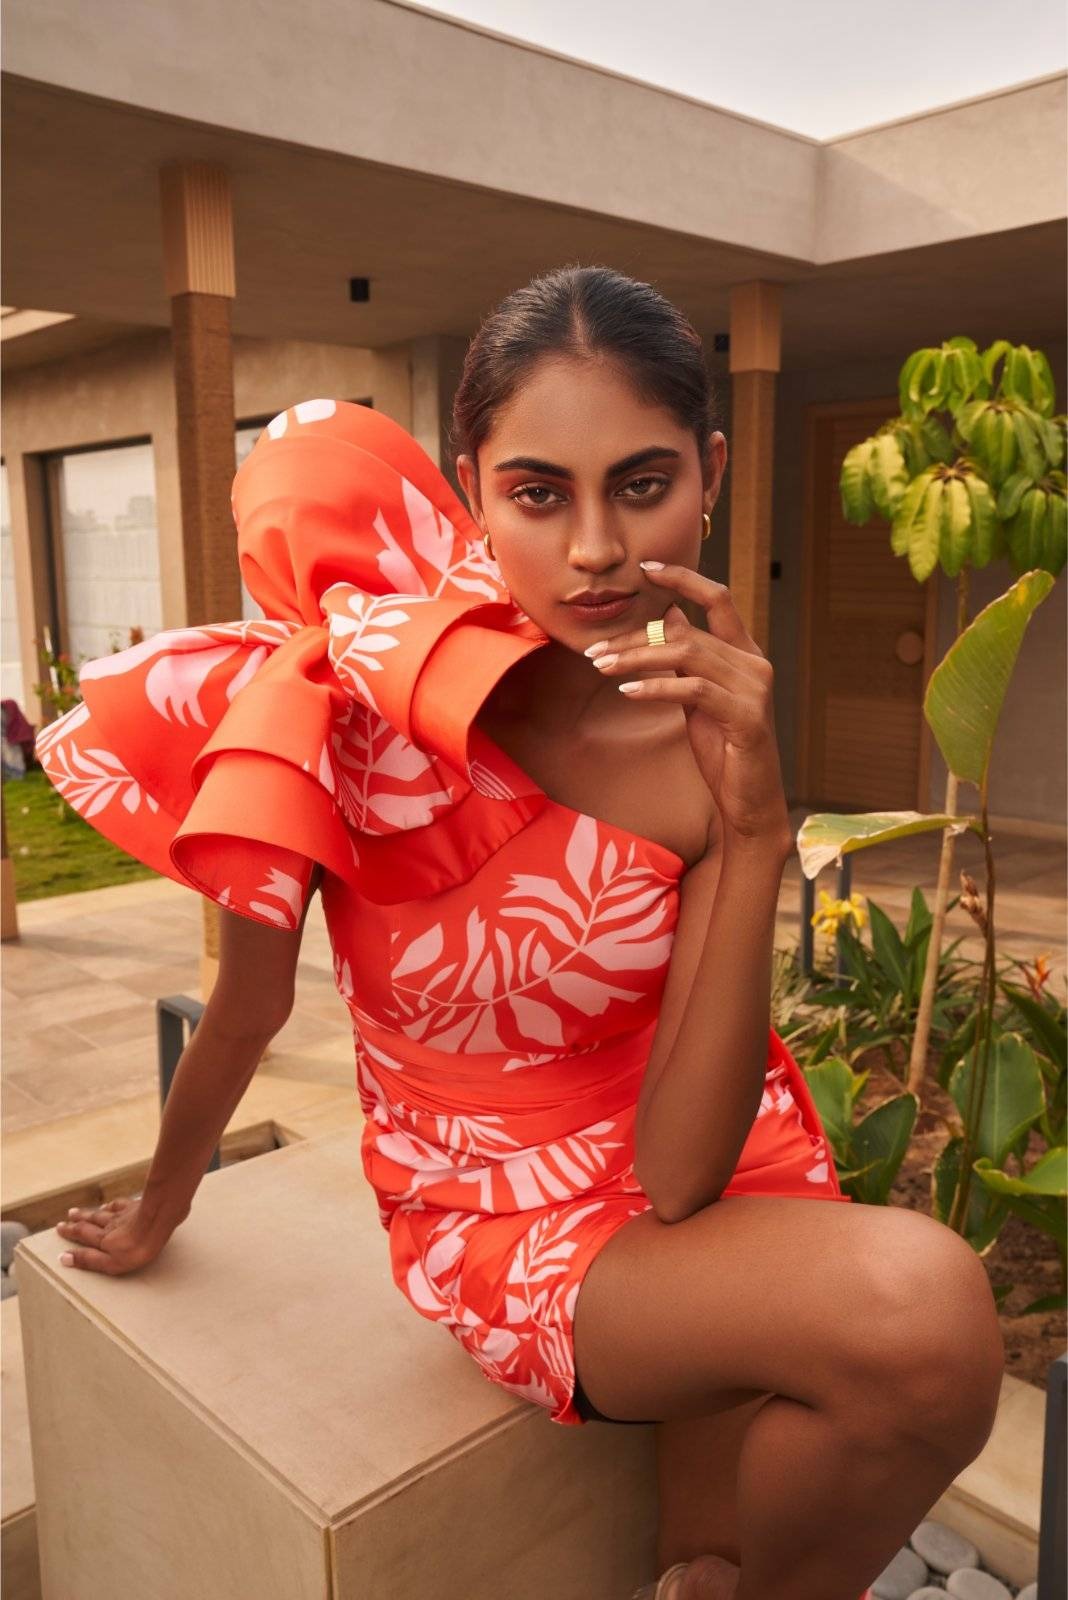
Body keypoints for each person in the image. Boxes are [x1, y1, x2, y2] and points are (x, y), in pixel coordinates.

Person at [41, 265, 1003, 1600]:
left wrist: (759, 830)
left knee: (796, 1464)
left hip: (699, 1150)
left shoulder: (694, 746)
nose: (596, 548)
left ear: (712, 472)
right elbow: (251, 1004)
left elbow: (676, 1179)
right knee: (926, 1313)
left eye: (644, 482)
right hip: (487, 1209)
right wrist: (160, 1205)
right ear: (472, 482)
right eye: (540, 493)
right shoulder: (331, 718)